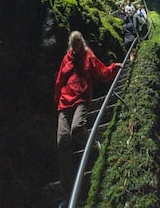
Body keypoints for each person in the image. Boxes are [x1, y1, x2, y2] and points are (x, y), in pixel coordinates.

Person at [54, 31, 122, 207]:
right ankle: (68, 193)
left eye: (78, 44)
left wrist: (113, 68)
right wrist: (57, 99)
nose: (76, 48)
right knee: (62, 141)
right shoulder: (66, 58)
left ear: (82, 43)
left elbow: (102, 71)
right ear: (71, 45)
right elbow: (60, 79)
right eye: (73, 45)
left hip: (82, 99)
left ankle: (94, 145)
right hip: (64, 103)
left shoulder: (88, 56)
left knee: (77, 129)